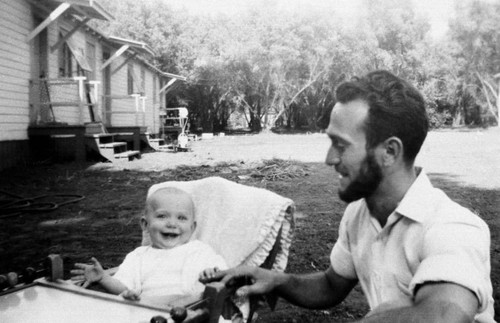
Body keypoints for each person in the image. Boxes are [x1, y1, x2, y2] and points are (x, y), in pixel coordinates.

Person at [202, 70, 495, 322]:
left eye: (340, 145)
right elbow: (331, 285)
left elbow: (443, 316)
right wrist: (277, 281)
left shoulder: (453, 227)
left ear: (389, 152)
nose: (329, 159)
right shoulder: (360, 213)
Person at [71, 187, 227, 305]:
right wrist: (103, 278)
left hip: (189, 310)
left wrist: (212, 273)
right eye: (162, 216)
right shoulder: (138, 256)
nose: (172, 224)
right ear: (145, 224)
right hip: (147, 309)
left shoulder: (200, 251)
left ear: (192, 228)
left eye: (181, 218)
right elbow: (124, 286)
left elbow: (223, 274)